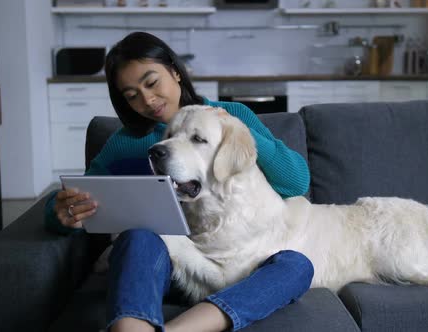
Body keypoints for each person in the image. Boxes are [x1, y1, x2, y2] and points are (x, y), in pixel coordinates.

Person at [44, 31, 313, 332]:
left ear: (175, 71)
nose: (147, 99)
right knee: (139, 236)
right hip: (160, 267)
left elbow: (296, 182)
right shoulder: (125, 143)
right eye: (131, 95)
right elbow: (81, 195)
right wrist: (60, 213)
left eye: (151, 82)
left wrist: (234, 131)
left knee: (297, 266)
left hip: (227, 269)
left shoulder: (231, 118)